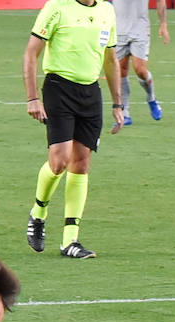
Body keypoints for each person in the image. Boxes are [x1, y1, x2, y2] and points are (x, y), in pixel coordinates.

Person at [23, 0, 125, 260]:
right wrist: (32, 98)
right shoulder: (56, 7)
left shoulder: (106, 10)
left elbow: (110, 59)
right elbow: (31, 53)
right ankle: (39, 212)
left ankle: (70, 240)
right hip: (59, 88)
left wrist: (117, 103)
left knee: (81, 164)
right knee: (59, 162)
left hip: (90, 93)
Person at [112, 0, 169, 127]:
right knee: (121, 70)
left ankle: (151, 98)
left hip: (140, 30)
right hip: (118, 30)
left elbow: (160, 1)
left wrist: (163, 24)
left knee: (140, 70)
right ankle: (125, 113)